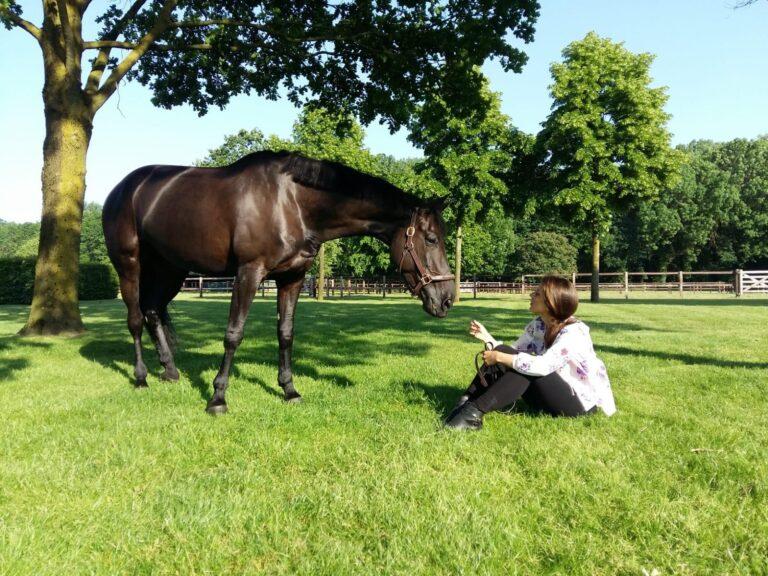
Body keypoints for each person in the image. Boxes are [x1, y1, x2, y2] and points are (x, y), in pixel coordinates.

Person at [445, 275, 616, 430]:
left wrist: (498, 356)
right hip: (549, 396)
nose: (531, 296)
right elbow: (513, 351)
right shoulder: (539, 324)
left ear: (551, 302)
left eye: (537, 294)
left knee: (527, 367)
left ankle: (472, 414)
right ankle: (465, 402)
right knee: (509, 355)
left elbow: (542, 367)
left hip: (578, 404)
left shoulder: (574, 333)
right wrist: (488, 339)